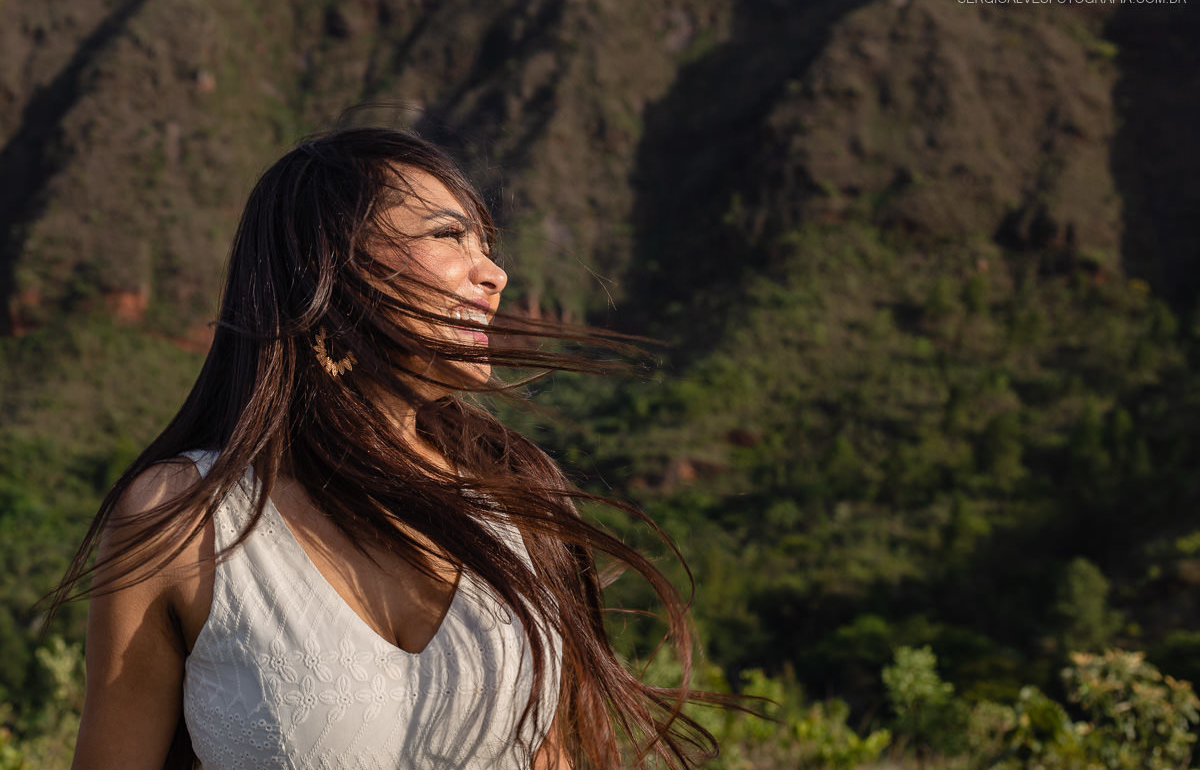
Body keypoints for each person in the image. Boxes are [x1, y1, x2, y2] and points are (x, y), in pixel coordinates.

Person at [51, 127, 722, 769]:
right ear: (329, 267)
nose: (494, 274)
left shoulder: (520, 499)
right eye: (449, 235)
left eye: (485, 242)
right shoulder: (184, 518)